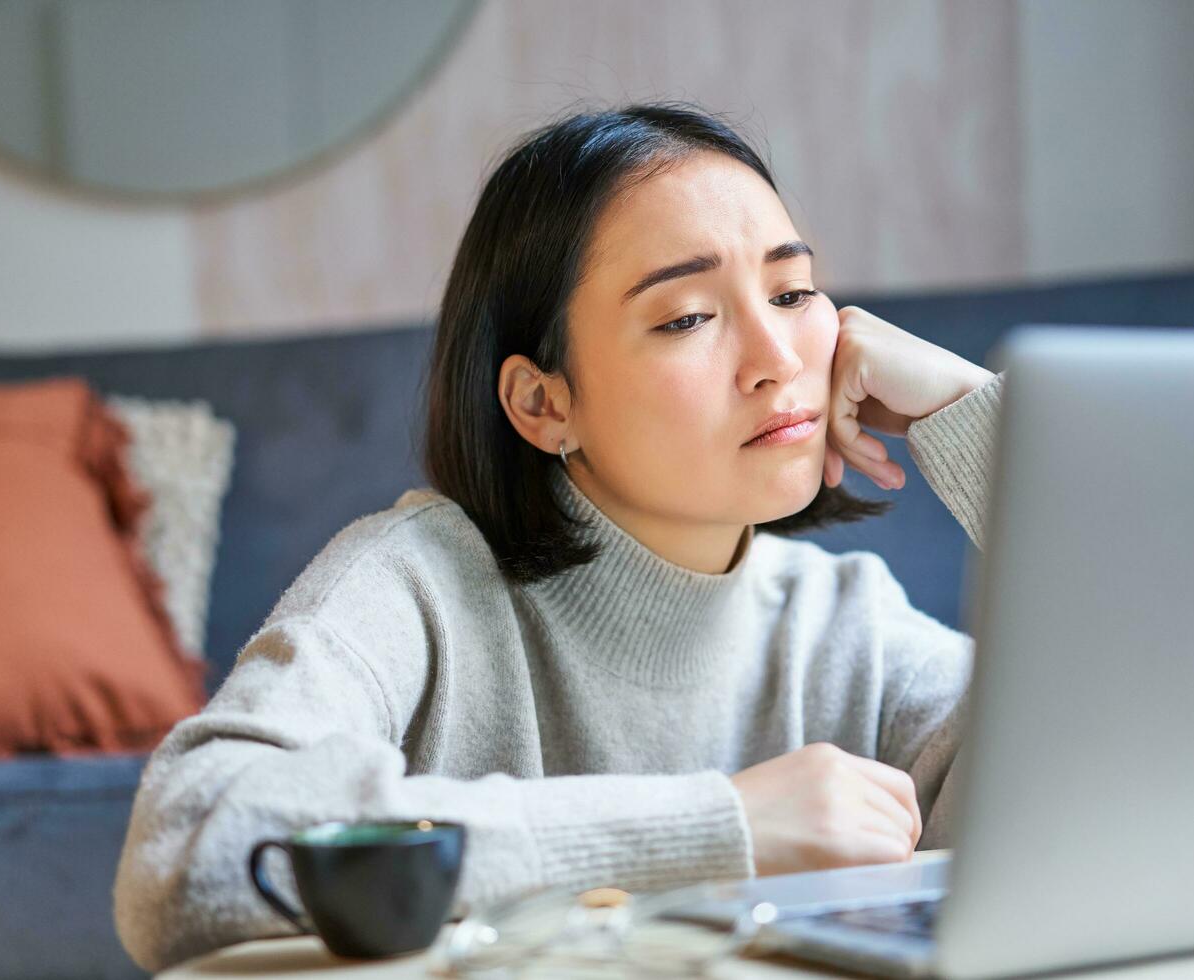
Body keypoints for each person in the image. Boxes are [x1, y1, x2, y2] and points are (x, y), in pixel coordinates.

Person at [113, 102, 1002, 973]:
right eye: (687, 316)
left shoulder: (844, 625)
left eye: (793, 290)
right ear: (545, 403)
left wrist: (981, 425)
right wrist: (718, 828)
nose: (778, 355)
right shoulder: (413, 584)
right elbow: (191, 846)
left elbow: (1122, 786)